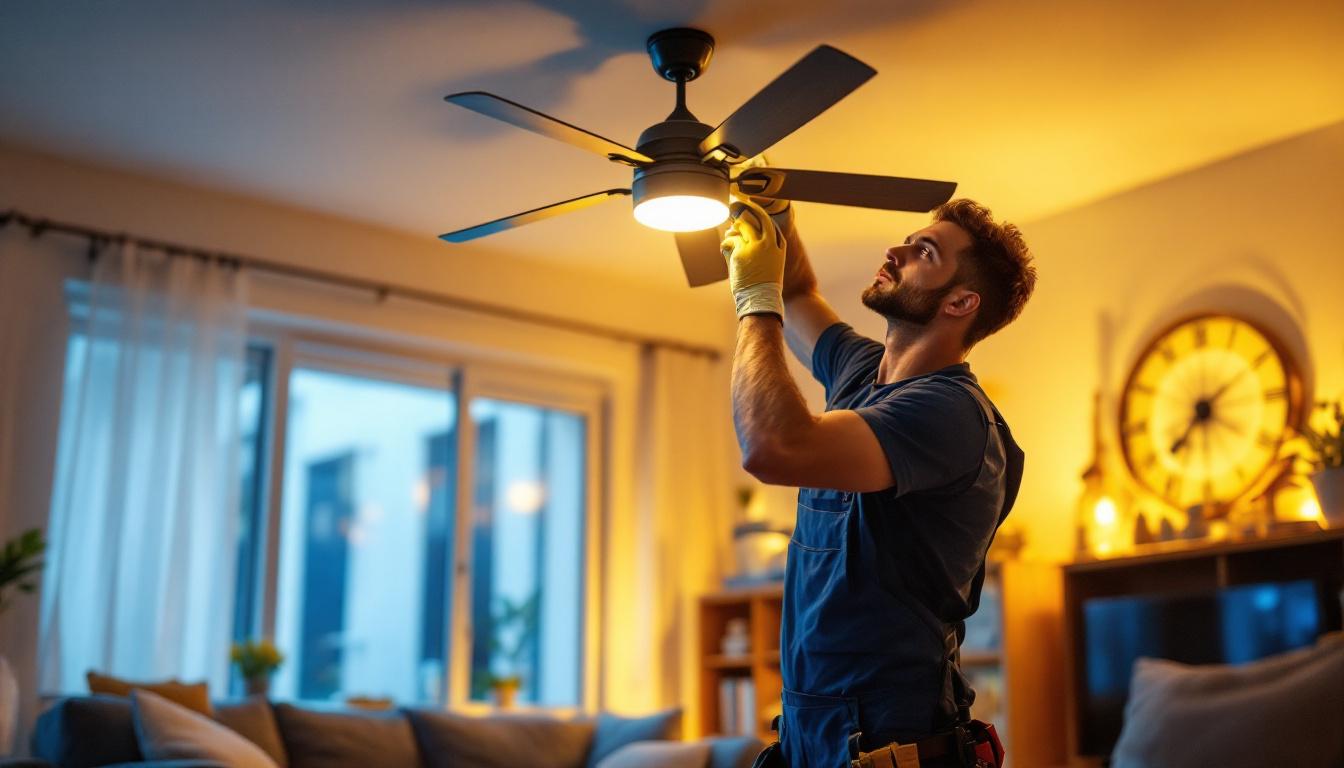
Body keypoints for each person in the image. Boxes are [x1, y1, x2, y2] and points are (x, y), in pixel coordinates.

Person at [720, 193, 1036, 768]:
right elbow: (797, 293)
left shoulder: (950, 413)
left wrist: (751, 299)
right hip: (810, 739)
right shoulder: (862, 371)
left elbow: (772, 446)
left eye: (924, 252)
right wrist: (775, 216)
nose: (895, 250)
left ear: (961, 301)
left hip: (886, 743)